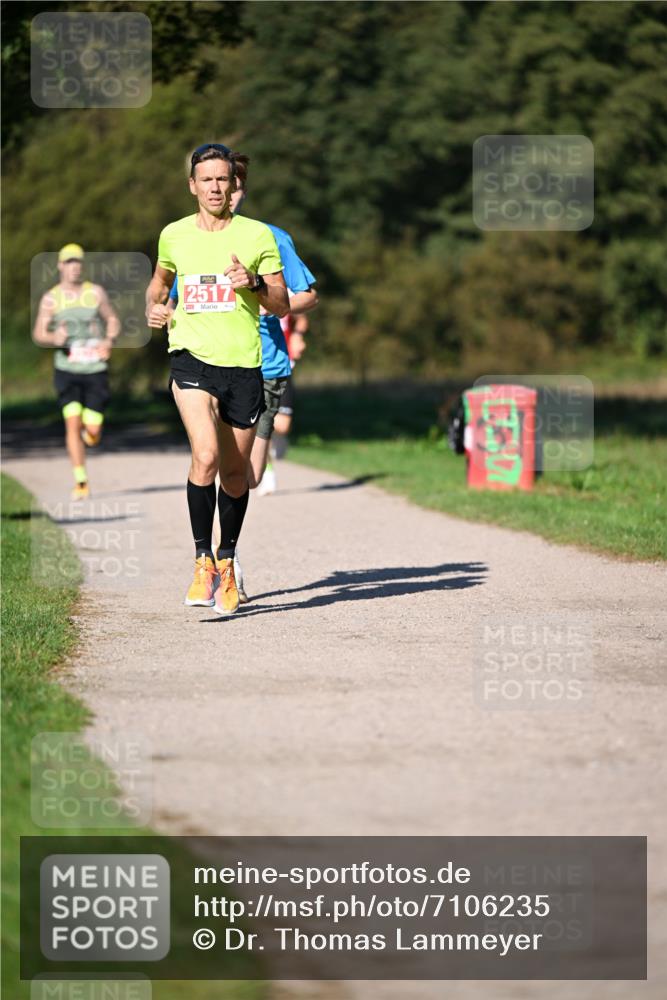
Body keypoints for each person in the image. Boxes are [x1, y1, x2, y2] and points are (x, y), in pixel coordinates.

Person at [146, 143, 288, 615]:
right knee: (204, 455)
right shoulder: (173, 235)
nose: (214, 187)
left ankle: (227, 560)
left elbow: (282, 304)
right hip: (190, 359)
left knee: (235, 474)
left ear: (233, 184)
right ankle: (202, 560)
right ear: (192, 185)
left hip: (243, 366)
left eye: (222, 179)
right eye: (205, 179)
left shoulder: (257, 235)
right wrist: (154, 306)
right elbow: (159, 282)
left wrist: (254, 282)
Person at [32, 244, 120, 500]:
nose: (74, 267)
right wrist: (54, 337)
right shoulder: (51, 298)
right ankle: (81, 481)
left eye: (78, 262)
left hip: (94, 369)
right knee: (71, 422)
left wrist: (108, 341)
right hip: (67, 370)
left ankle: (91, 434)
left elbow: (112, 320)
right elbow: (39, 333)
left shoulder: (95, 292)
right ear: (60, 265)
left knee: (92, 429)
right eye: (69, 262)